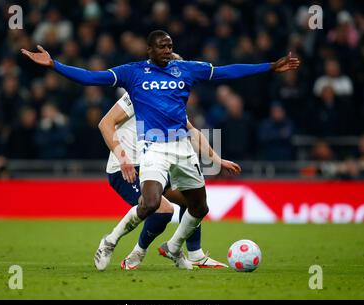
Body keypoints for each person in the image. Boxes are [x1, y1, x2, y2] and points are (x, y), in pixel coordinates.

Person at [21, 30, 300, 270]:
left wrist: (269, 67)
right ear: (149, 49)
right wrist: (54, 65)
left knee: (199, 206)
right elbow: (90, 78)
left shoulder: (186, 69)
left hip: (182, 150)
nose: (168, 50)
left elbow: (227, 71)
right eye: (162, 46)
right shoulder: (133, 73)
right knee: (154, 204)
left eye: (170, 46)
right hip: (153, 149)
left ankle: (175, 247)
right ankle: (111, 241)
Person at [101, 86, 237, 269]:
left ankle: (195, 254)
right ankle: (123, 249)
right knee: (163, 210)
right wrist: (122, 157)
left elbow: (192, 133)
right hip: (125, 167)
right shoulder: (139, 92)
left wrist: (217, 159)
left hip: (155, 163)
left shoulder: (173, 102)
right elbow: (105, 123)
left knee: (192, 201)